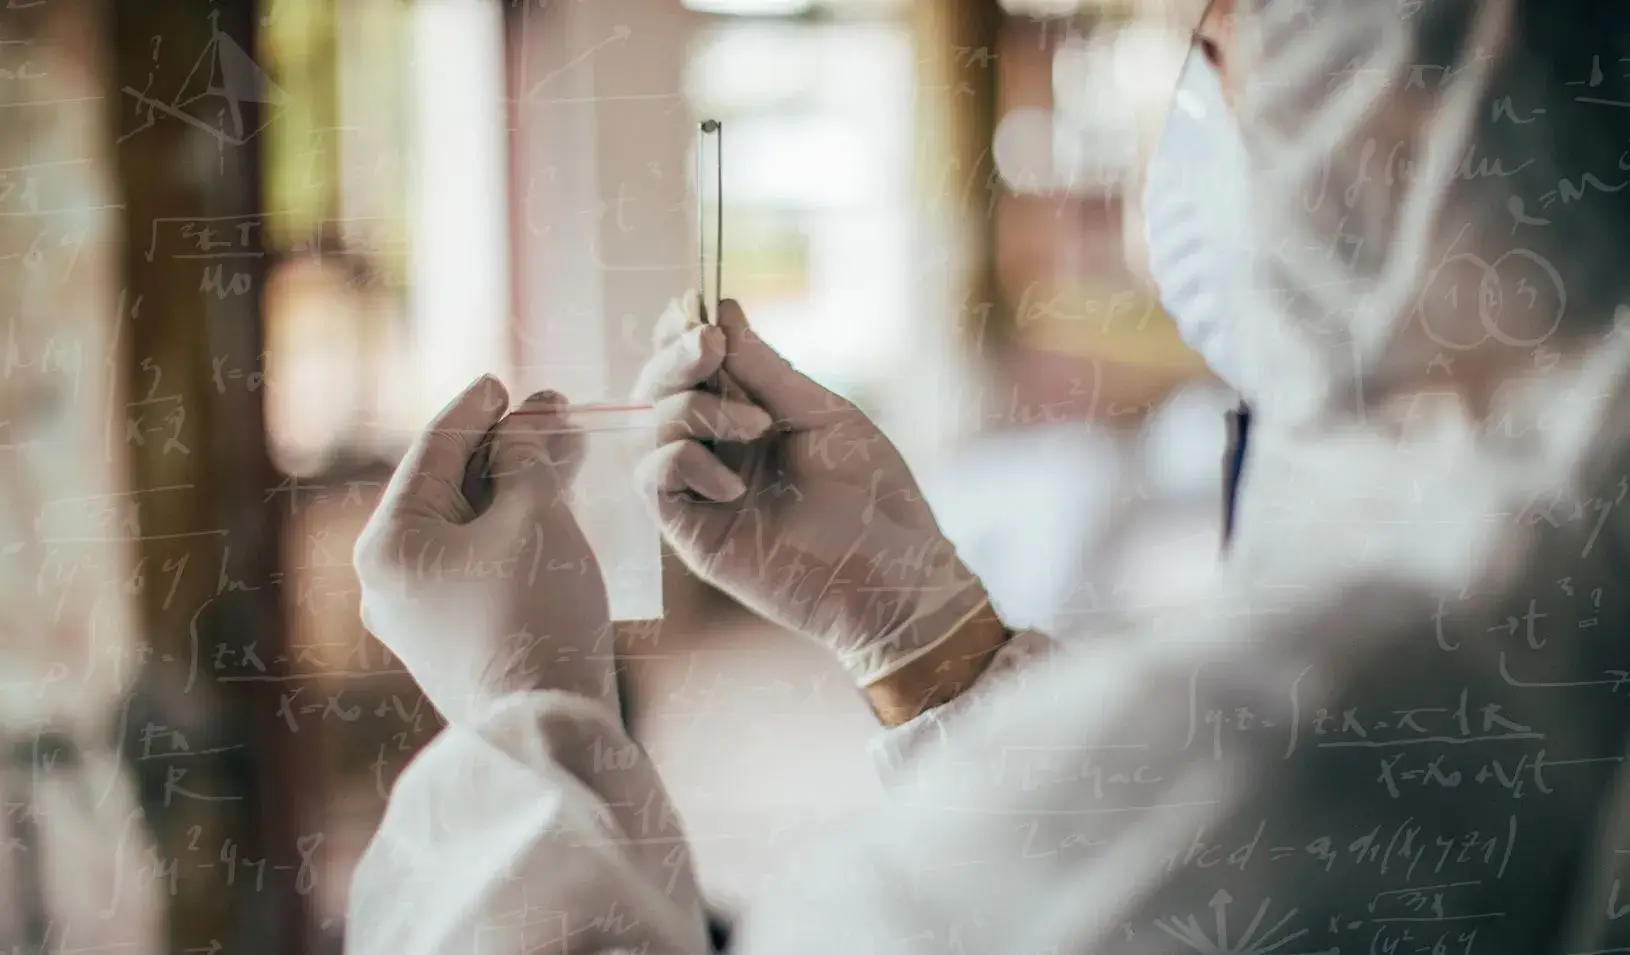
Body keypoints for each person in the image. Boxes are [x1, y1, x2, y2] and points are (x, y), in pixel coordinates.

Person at [344, 0, 1630, 952]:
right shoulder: (1543, 588)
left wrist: (516, 715)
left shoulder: (1323, 721)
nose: (1197, 84)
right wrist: (922, 628)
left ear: (1404, 96)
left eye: (1224, 32)